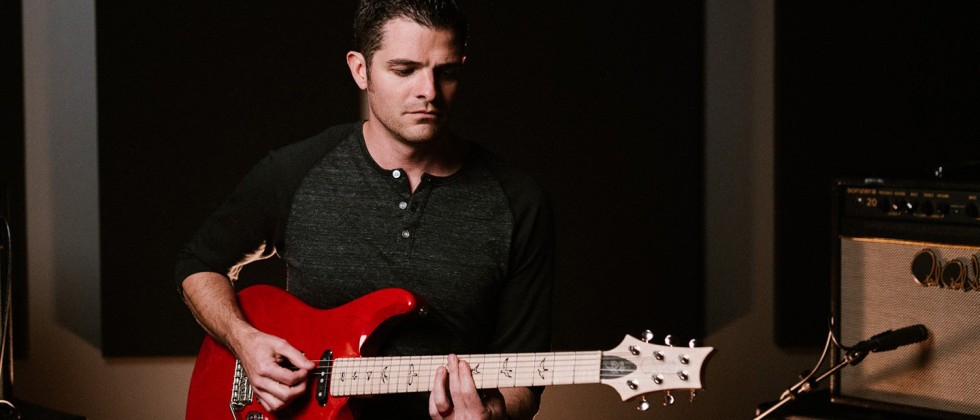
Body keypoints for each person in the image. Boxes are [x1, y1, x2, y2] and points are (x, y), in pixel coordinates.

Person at [175, 1, 554, 418]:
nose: (428, 90)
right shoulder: (295, 171)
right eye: (404, 70)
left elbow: (523, 375)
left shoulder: (518, 201)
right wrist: (244, 341)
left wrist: (494, 415)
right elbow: (199, 264)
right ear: (360, 70)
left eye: (445, 71)